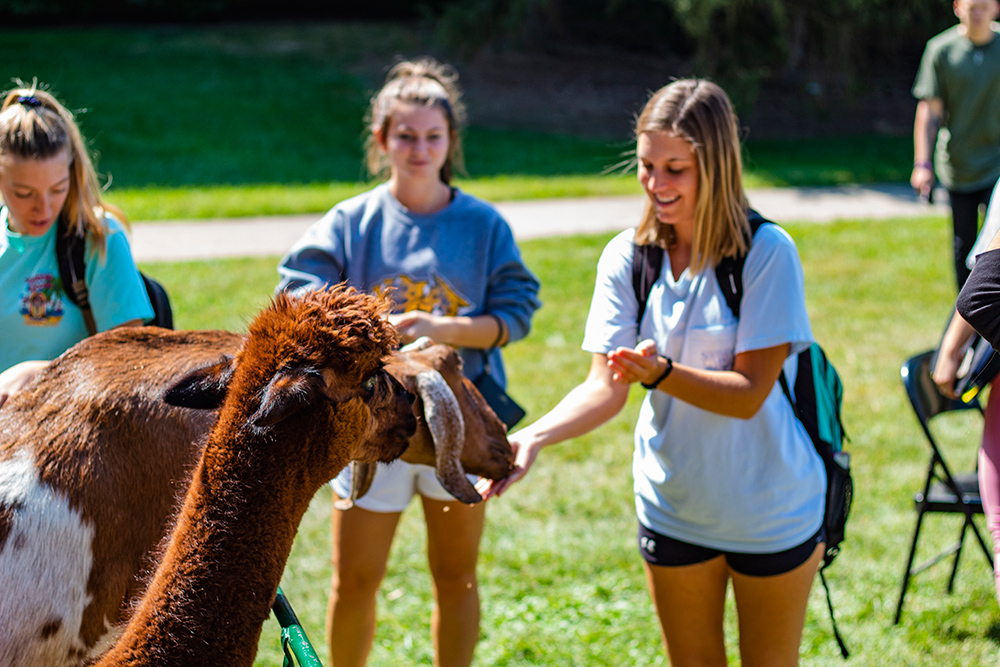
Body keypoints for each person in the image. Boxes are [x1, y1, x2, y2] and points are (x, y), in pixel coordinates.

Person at [479, 79, 825, 666]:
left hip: (771, 508)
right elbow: (604, 387)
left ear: (716, 166)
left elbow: (747, 395)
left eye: (675, 169)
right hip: (673, 506)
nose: (656, 186)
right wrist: (531, 436)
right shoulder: (628, 258)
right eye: (645, 167)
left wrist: (662, 373)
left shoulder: (767, 253)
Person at [276, 58, 540, 667]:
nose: (419, 149)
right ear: (382, 141)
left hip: (459, 420)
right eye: (406, 136)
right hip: (372, 427)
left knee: (457, 576)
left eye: (433, 136)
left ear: (451, 142)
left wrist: (438, 329)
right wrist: (371, 331)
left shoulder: (482, 225)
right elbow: (297, 292)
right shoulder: (353, 221)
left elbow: (516, 311)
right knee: (356, 579)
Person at [0, 83, 153, 408]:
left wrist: (40, 373)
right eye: (24, 193)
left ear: (74, 172)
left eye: (58, 189)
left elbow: (130, 360)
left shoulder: (98, 238)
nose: (43, 209)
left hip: (66, 432)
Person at [911, 0, 1000, 288]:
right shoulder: (941, 50)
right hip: (958, 164)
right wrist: (922, 164)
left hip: (997, 164)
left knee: (994, 242)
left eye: (983, 7)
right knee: (964, 247)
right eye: (971, 7)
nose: (977, 14)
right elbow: (929, 112)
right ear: (957, 7)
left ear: (995, 9)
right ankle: (967, 319)